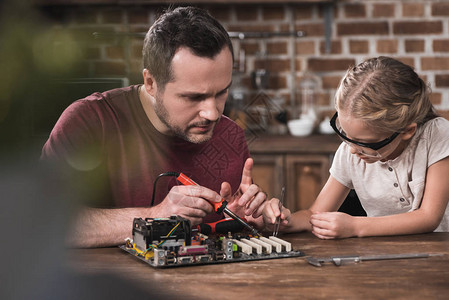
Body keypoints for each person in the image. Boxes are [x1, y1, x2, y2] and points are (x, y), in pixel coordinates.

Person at [41, 6, 268, 248]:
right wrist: (157, 216)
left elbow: (217, 239)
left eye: (222, 92)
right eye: (193, 97)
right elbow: (41, 222)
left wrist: (237, 220)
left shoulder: (229, 135)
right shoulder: (90, 121)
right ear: (151, 82)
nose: (212, 113)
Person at [264, 56, 449, 239]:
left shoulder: (436, 135)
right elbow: (314, 214)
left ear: (407, 131)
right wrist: (284, 221)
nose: (352, 149)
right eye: (346, 135)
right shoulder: (350, 152)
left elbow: (428, 217)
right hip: (384, 256)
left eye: (365, 142)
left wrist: (355, 226)